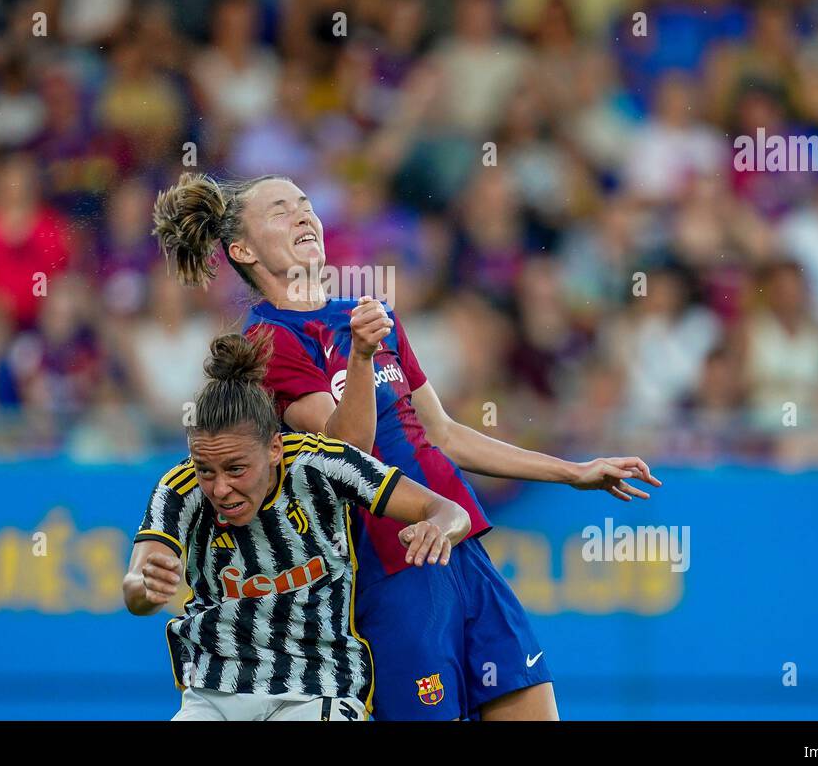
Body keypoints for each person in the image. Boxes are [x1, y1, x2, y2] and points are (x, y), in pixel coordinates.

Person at [152, 173, 662, 721]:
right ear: (243, 250)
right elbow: (348, 452)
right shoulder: (270, 340)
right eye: (280, 211)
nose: (303, 215)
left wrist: (572, 472)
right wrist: (362, 358)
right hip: (391, 566)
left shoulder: (371, 318)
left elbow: (442, 434)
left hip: (458, 543)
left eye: (305, 203)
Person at [123, 332, 470, 721]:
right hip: (214, 693)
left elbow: (447, 510)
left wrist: (439, 528)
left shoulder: (322, 465)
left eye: (236, 469)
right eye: (206, 470)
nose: (220, 488)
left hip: (317, 687)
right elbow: (135, 586)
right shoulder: (180, 488)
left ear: (274, 448)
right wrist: (147, 590)